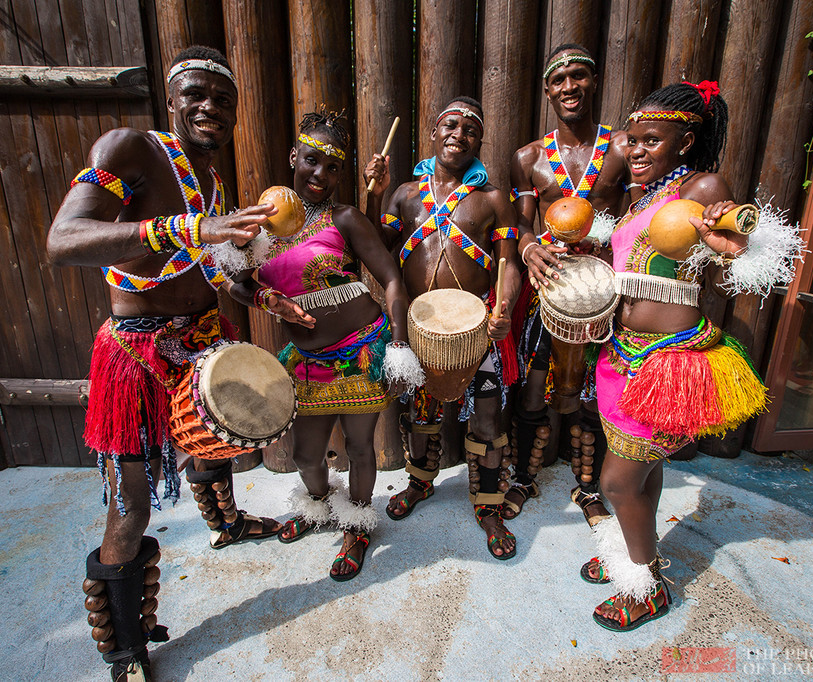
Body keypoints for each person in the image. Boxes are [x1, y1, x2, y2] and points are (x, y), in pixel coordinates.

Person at [48, 46, 282, 681]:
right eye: (197, 94)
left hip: (200, 334)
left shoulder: (211, 182)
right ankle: (125, 649)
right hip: (134, 350)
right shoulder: (129, 150)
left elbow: (212, 270)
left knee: (217, 442)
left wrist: (264, 296)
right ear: (172, 100)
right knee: (132, 504)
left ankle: (227, 524)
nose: (210, 107)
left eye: (223, 100)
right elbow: (62, 240)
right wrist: (184, 229)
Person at [581, 81, 800, 631]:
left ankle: (646, 586)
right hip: (622, 352)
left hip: (668, 361)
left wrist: (736, 243)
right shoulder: (643, 195)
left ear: (685, 141)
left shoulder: (704, 185)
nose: (633, 151)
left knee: (615, 483)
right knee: (642, 471)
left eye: (649, 141)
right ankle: (638, 553)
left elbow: (741, 256)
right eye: (630, 140)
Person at [216, 108, 421, 581]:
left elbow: (390, 279)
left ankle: (358, 527)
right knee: (306, 455)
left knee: (359, 447)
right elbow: (236, 285)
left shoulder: (344, 217)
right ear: (293, 157)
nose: (320, 175)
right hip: (306, 361)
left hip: (360, 350)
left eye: (332, 168)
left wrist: (398, 345)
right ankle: (319, 509)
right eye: (312, 160)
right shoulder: (256, 230)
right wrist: (267, 298)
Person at [364, 97, 522, 560]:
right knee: (420, 413)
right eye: (449, 125)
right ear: (433, 133)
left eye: (471, 129)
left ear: (479, 141)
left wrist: (505, 307)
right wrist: (375, 194)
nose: (459, 134)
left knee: (489, 419)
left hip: (479, 329)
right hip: (421, 327)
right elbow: (376, 249)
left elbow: (509, 261)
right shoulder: (404, 194)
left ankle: (488, 504)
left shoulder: (492, 199)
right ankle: (419, 483)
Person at [506, 43, 629, 524]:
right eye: (559, 80)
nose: (569, 87)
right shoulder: (528, 157)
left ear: (594, 82)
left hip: (602, 294)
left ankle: (588, 489)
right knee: (535, 392)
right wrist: (528, 247)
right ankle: (523, 478)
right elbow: (522, 224)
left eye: (578, 76)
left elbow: (639, 213)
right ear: (547, 90)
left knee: (591, 395)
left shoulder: (621, 147)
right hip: (548, 292)